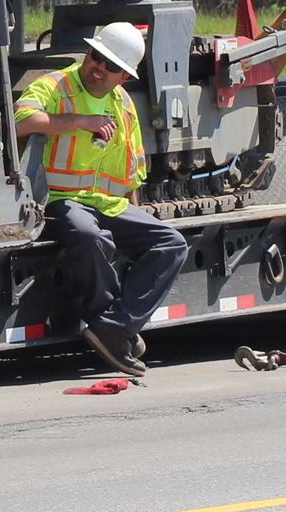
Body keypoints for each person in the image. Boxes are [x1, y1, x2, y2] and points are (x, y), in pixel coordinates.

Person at [14, 22, 189, 378]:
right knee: (90, 237)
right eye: (96, 57)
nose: (99, 68)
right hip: (61, 201)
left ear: (124, 77)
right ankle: (112, 328)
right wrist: (80, 121)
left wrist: (136, 213)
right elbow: (19, 120)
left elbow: (134, 164)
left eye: (111, 66)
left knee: (171, 244)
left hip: (110, 204)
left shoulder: (122, 104)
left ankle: (116, 325)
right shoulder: (55, 86)